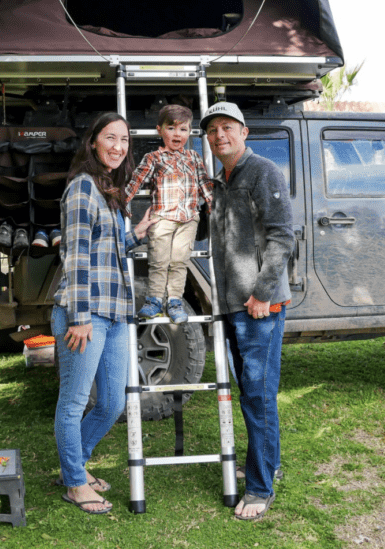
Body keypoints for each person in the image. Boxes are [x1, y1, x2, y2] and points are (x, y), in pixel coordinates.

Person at [51, 112, 154, 515]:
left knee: (112, 403)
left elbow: (106, 250)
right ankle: (75, 483)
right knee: (74, 402)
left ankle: (73, 465)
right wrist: (78, 317)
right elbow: (76, 256)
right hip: (86, 314)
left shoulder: (106, 190)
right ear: (93, 142)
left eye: (124, 140)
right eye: (110, 138)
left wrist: (136, 234)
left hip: (114, 313)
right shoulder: (82, 187)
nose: (118, 146)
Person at [201, 101, 294, 522]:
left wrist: (261, 294)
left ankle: (259, 488)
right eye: (212, 130)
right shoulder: (221, 181)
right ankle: (268, 464)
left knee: (258, 394)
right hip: (232, 306)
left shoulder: (262, 172)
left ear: (244, 132)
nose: (219, 135)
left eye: (227, 127)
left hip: (259, 307)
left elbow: (282, 237)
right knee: (253, 393)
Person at [125, 104, 213, 325]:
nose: (177, 134)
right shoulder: (154, 157)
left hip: (188, 219)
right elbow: (136, 180)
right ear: (160, 130)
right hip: (162, 218)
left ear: (189, 132)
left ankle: (174, 302)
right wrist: (122, 202)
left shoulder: (193, 157)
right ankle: (154, 299)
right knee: (159, 260)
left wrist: (212, 202)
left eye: (183, 129)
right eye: (171, 128)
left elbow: (204, 183)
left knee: (179, 261)